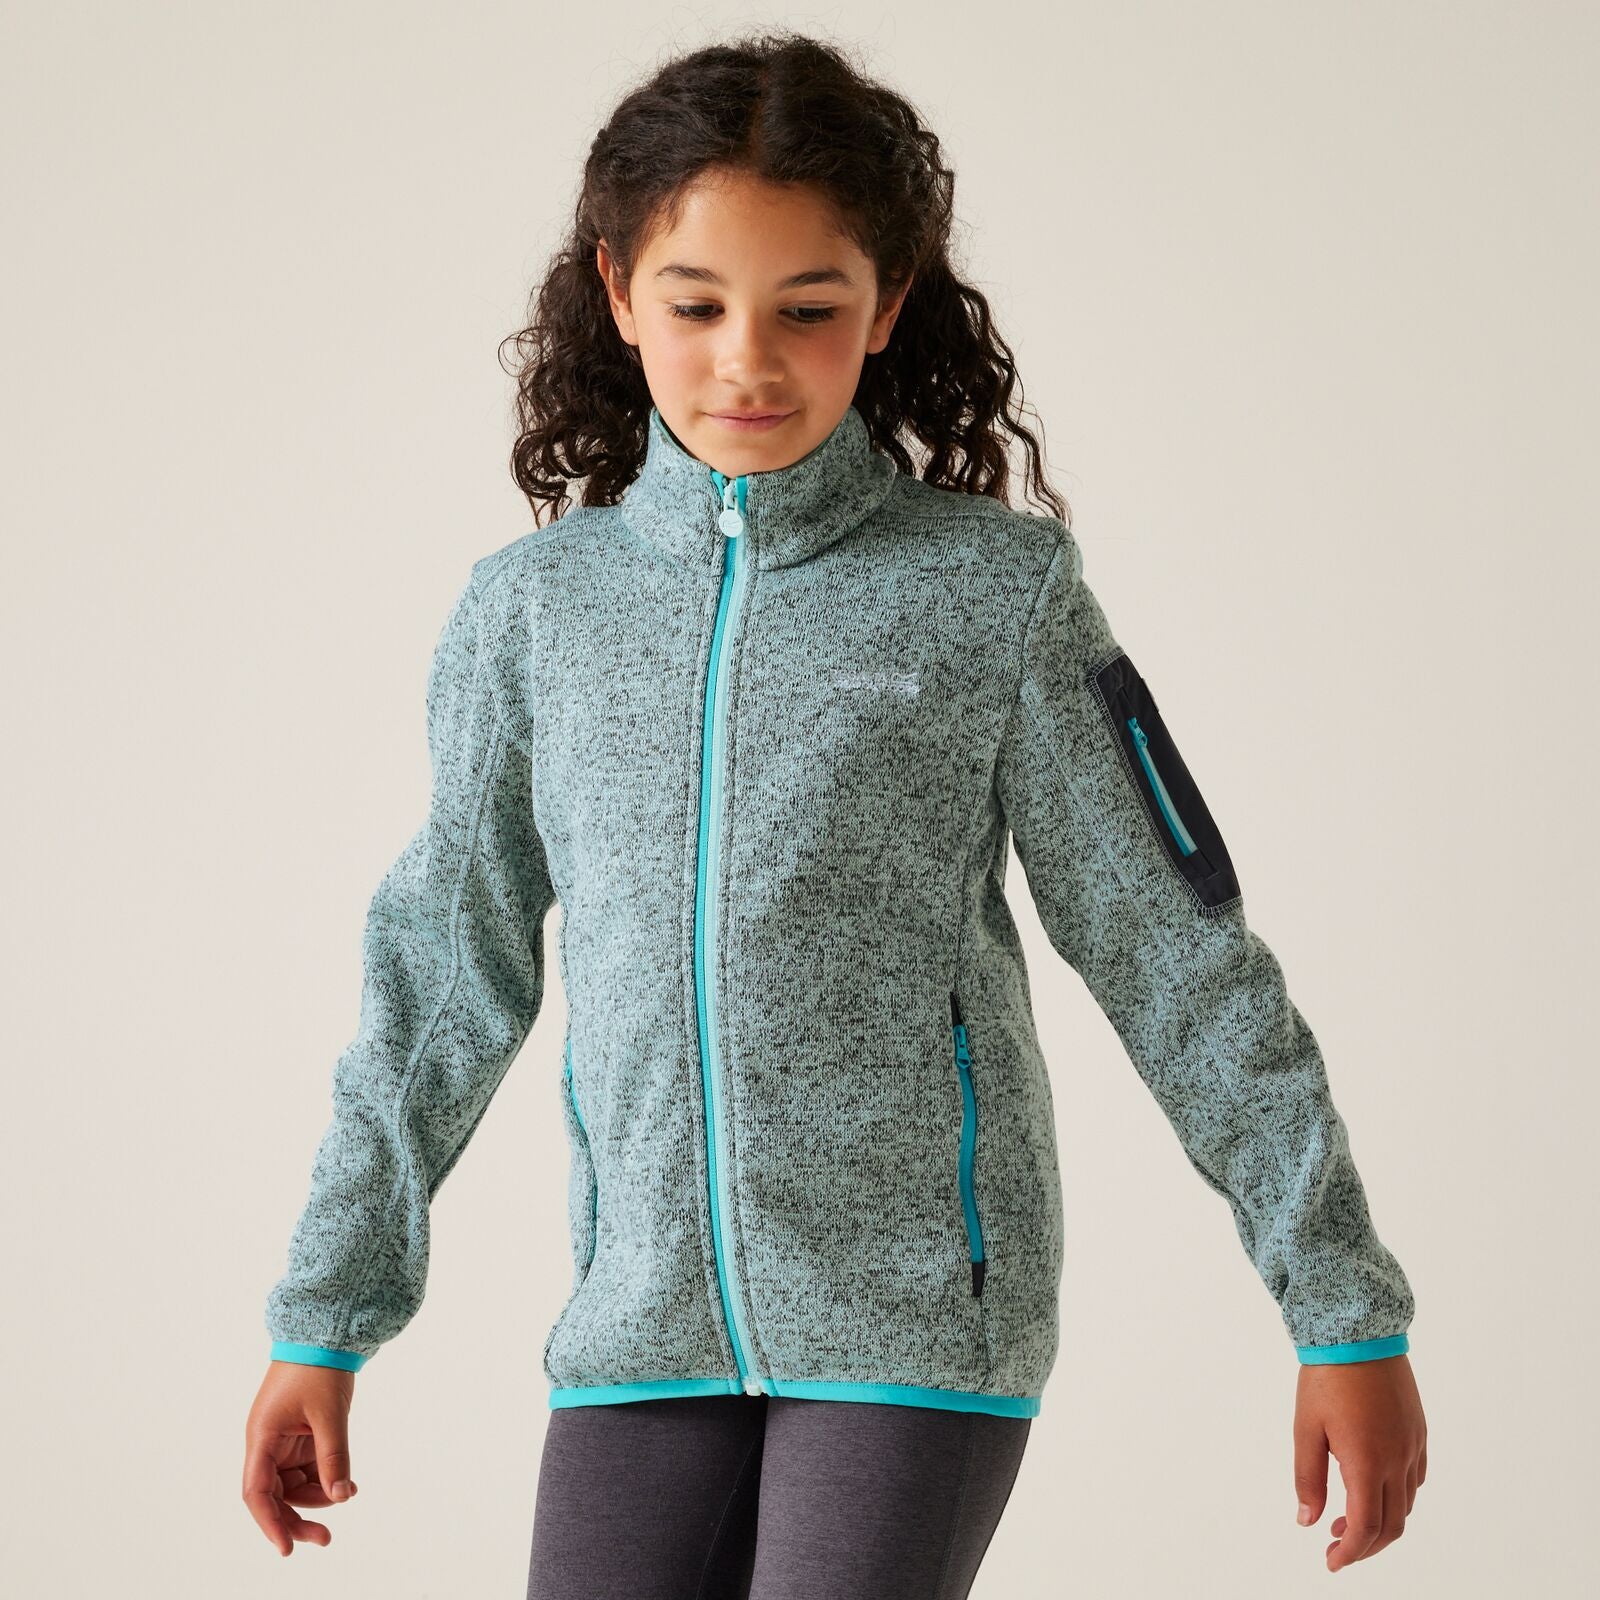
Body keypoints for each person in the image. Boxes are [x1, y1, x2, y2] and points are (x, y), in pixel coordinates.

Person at [242, 30, 1427, 1595]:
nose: (749, 359)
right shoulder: (533, 616)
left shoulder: (994, 595)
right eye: (698, 306)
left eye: (807, 308)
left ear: (887, 303)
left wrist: (1342, 1311)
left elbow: (1178, 956)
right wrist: (325, 1319)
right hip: (639, 1327)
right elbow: (440, 980)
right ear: (618, 294)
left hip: (919, 1320)